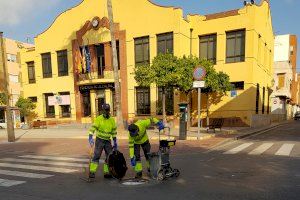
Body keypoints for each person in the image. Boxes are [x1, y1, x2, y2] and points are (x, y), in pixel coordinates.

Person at [88, 103, 117, 179]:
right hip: (99, 140)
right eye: (105, 110)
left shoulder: (112, 120)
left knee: (109, 157)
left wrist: (115, 141)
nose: (106, 112)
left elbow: (114, 131)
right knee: (97, 156)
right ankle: (92, 172)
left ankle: (107, 172)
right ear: (102, 110)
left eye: (108, 110)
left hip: (107, 141)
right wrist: (90, 137)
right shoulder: (99, 118)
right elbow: (93, 128)